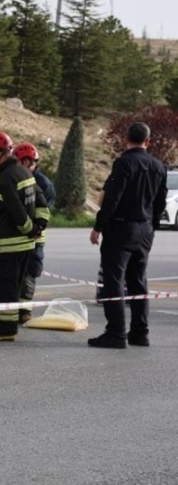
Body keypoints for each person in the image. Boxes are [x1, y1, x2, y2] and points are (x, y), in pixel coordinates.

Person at [88, 122, 168, 349]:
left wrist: (98, 226)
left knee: (113, 281)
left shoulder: (124, 163)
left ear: (126, 139)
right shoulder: (159, 166)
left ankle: (116, 333)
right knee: (139, 280)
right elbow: (160, 202)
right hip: (145, 228)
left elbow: (112, 198)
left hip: (122, 229)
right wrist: (152, 226)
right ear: (148, 141)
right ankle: (140, 333)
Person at [0, 131, 46, 341]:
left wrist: (29, 229)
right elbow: (42, 203)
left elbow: (17, 211)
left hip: (10, 244)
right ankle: (2, 322)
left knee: (4, 286)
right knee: (12, 285)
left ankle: (6, 330)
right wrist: (39, 226)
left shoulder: (7, 178)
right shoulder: (24, 172)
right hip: (23, 245)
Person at [13, 142, 55, 324]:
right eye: (22, 162)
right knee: (14, 274)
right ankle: (13, 309)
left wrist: (33, 228)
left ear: (34, 162)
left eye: (28, 162)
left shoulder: (44, 184)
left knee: (30, 273)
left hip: (35, 237)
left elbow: (43, 212)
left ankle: (24, 311)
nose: (25, 166)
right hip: (15, 235)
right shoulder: (13, 178)